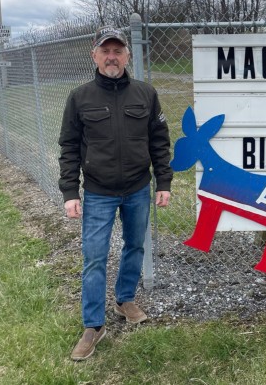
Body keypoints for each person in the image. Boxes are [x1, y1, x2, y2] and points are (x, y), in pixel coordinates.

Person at [58, 25, 173, 361]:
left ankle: (124, 301)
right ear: (94, 55)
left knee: (134, 246)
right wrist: (70, 191)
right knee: (94, 257)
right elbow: (68, 147)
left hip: (138, 188)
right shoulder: (80, 98)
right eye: (105, 51)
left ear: (127, 55)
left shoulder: (145, 94)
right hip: (97, 192)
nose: (112, 57)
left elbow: (159, 141)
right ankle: (94, 325)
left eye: (117, 51)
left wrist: (163, 183)